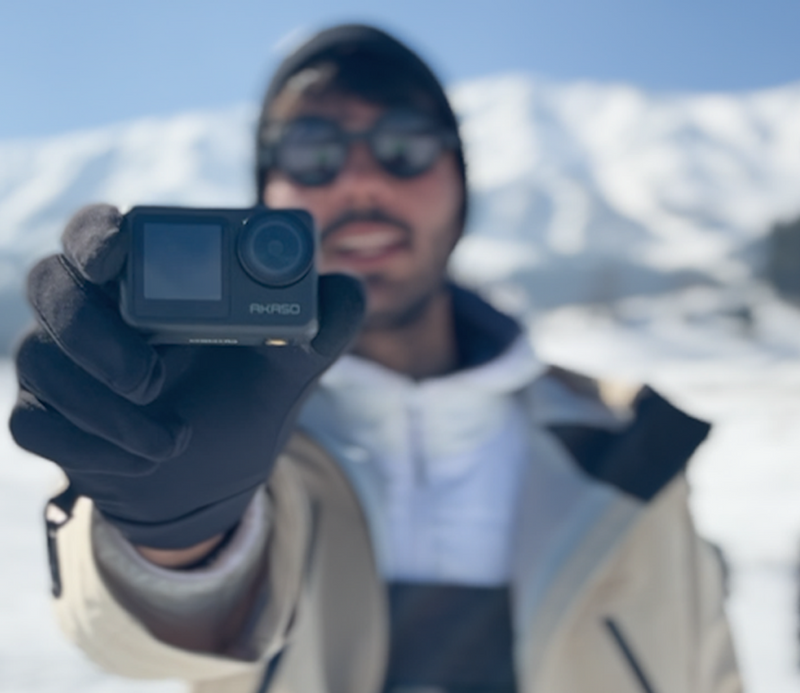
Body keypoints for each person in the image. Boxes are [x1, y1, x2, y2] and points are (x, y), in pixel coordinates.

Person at [10, 24, 741, 693]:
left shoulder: (629, 450)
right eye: (312, 152)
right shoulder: (206, 423)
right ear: (266, 197)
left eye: (405, 145)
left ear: (460, 182)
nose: (362, 182)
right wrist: (180, 540)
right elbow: (141, 643)